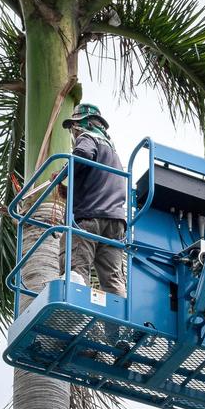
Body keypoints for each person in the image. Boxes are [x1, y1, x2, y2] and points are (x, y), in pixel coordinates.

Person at [62, 103, 127, 296]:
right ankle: (117, 325)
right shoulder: (113, 154)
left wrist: (63, 173)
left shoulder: (87, 137)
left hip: (90, 218)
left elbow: (82, 154)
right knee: (113, 280)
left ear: (82, 123)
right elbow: (98, 183)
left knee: (76, 268)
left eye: (73, 127)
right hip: (115, 223)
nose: (73, 132)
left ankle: (73, 309)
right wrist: (69, 190)